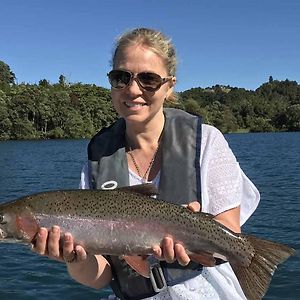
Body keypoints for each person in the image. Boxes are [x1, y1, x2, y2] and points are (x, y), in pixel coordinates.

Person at [32, 28, 260, 299]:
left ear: (170, 85)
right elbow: (101, 276)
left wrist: (192, 234)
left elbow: (230, 231)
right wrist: (73, 258)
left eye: (148, 79)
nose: (132, 89)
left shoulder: (206, 141)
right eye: (121, 78)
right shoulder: (97, 163)